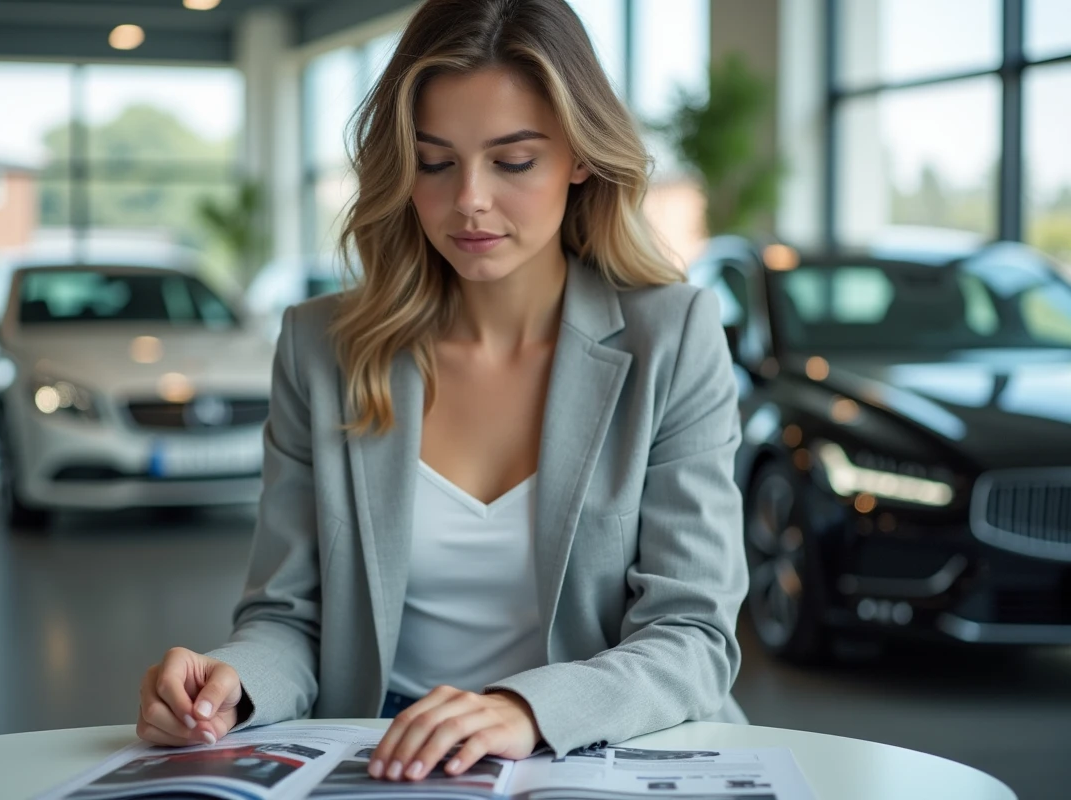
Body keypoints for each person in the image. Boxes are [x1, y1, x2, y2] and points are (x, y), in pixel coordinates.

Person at [136, 0, 749, 784]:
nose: (469, 200)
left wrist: (526, 710)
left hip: (596, 750)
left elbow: (693, 634)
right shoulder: (322, 348)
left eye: (514, 161)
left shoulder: (675, 336)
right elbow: (289, 618)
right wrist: (232, 685)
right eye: (435, 162)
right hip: (387, 757)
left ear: (580, 157)